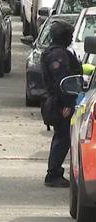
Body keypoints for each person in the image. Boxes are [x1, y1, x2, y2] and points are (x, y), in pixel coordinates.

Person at [40, 20, 82, 187]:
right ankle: (53, 174)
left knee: (62, 137)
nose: (71, 38)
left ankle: (55, 171)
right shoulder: (58, 55)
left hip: (60, 101)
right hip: (61, 103)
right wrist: (66, 104)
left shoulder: (57, 52)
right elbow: (62, 82)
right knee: (62, 137)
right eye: (70, 35)